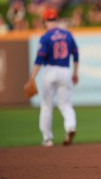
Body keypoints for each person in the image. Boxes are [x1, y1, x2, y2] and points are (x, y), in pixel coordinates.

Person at [26, 8, 79, 147]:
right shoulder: (67, 35)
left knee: (46, 107)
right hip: (65, 71)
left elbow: (39, 59)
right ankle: (70, 127)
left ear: (45, 21)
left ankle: (47, 138)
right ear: (56, 20)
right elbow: (76, 55)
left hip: (50, 71)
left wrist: (32, 77)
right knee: (66, 104)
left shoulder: (45, 37)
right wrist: (75, 73)